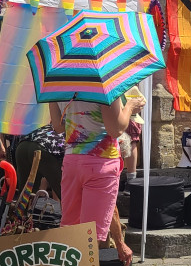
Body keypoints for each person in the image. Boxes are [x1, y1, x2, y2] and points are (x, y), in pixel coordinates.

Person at [49, 93, 145, 257]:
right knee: (90, 236)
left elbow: (58, 126)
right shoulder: (105, 83)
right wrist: (130, 107)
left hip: (72, 161)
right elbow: (115, 129)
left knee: (71, 228)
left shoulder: (61, 81)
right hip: (101, 162)